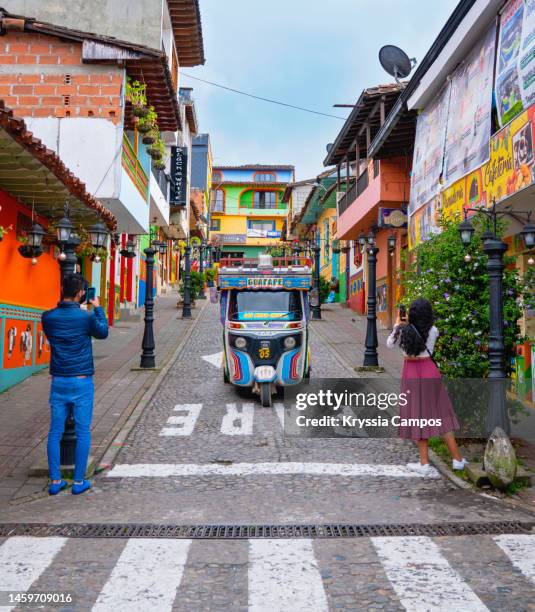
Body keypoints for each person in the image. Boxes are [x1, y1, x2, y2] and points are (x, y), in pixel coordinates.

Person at [42, 273, 109, 495]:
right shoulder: (86, 317)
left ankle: (55, 481)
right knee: (82, 431)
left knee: (54, 432)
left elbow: (55, 332)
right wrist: (97, 307)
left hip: (58, 380)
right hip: (81, 381)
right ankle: (79, 482)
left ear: (62, 289)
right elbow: (103, 333)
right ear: (81, 293)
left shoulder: (48, 317)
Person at [386, 297, 467, 476]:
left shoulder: (404, 331)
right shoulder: (434, 330)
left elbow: (389, 345)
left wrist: (397, 325)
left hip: (412, 374)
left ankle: (424, 463)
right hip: (430, 371)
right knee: (441, 415)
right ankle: (457, 459)